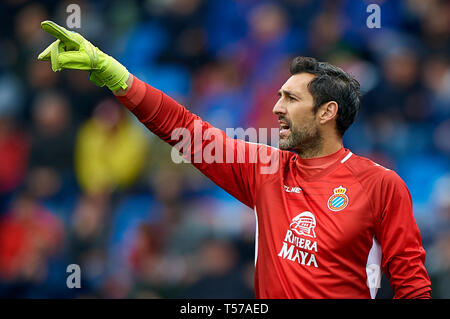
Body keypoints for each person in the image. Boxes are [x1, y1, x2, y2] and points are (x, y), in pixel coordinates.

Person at [37, 21, 431, 298]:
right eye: (278, 95)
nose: (276, 108)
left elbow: (412, 285)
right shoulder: (266, 171)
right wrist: (114, 73)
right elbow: (186, 130)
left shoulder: (381, 185)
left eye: (291, 99)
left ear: (327, 112)